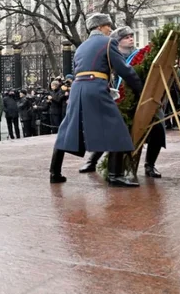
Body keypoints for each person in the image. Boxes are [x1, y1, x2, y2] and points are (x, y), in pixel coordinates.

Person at [48, 13, 143, 187]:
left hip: (78, 88)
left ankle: (55, 172)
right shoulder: (109, 42)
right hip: (96, 88)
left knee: (68, 128)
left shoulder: (82, 47)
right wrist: (140, 88)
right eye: (108, 26)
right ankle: (115, 175)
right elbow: (124, 69)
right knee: (117, 128)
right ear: (99, 27)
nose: (111, 29)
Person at [79, 26, 167, 178]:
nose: (131, 39)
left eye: (131, 36)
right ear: (117, 42)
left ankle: (150, 165)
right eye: (126, 37)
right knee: (108, 130)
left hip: (142, 98)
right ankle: (93, 160)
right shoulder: (110, 53)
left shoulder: (142, 55)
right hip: (118, 100)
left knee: (157, 128)